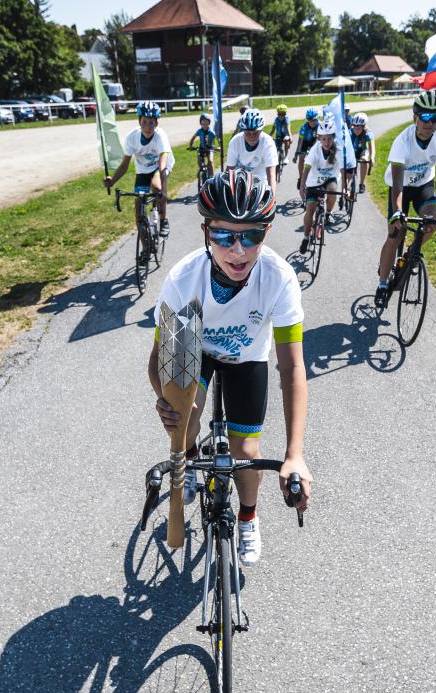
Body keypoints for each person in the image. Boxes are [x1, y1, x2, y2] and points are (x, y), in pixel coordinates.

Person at [149, 168, 312, 566]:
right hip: (196, 349)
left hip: (247, 359)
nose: (237, 250)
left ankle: (248, 516)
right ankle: (188, 461)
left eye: (251, 235)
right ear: (206, 232)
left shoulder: (279, 278)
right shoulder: (184, 279)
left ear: (267, 233)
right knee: (185, 414)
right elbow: (157, 361)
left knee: (246, 449)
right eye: (224, 236)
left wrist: (295, 454)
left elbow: (292, 369)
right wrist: (165, 401)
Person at [374, 91, 436, 308]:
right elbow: (397, 186)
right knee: (395, 234)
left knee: (432, 222)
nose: (430, 123)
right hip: (401, 186)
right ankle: (383, 283)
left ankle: (411, 253)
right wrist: (397, 212)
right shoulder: (402, 141)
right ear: (415, 117)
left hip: (424, 185)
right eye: (425, 117)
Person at [104, 100, 175, 237]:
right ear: (139, 121)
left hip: (160, 167)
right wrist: (112, 181)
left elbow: (162, 165)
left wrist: (164, 192)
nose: (148, 127)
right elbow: (125, 165)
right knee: (138, 210)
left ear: (157, 123)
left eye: (151, 123)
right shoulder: (132, 137)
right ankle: (145, 252)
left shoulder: (160, 136)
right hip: (142, 170)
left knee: (156, 186)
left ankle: (163, 219)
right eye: (144, 122)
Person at [298, 117, 342, 253]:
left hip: (330, 178)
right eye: (323, 139)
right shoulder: (314, 150)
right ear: (319, 138)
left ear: (333, 138)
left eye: (329, 139)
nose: (327, 142)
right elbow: (307, 167)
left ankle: (328, 213)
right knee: (310, 210)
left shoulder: (339, 149)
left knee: (333, 190)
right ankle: (305, 237)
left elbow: (344, 169)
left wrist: (346, 189)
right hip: (314, 181)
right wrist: (302, 185)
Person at [225, 109, 278, 191]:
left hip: (260, 183)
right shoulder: (235, 141)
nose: (252, 136)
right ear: (243, 131)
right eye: (248, 133)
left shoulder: (268, 142)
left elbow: (271, 174)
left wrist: (272, 198)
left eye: (255, 132)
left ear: (261, 130)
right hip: (239, 181)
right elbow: (230, 169)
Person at [348, 111, 375, 193]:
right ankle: (347, 186)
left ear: (364, 127)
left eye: (359, 128)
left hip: (362, 151)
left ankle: (361, 183)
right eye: (354, 127)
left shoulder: (367, 133)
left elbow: (372, 146)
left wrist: (372, 157)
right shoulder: (349, 132)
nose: (356, 129)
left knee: (364, 159)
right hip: (352, 151)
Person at [295, 108, 319, 188]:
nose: (312, 122)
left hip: (315, 141)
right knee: (301, 159)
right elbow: (300, 141)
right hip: (305, 142)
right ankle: (301, 177)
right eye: (310, 120)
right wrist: (296, 153)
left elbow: (319, 139)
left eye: (314, 120)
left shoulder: (319, 125)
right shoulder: (304, 127)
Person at [189, 112, 217, 177]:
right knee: (199, 160)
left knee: (210, 161)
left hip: (210, 149)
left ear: (209, 123)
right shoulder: (199, 131)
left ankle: (212, 177)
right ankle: (201, 169)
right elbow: (193, 138)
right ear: (200, 123)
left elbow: (218, 139)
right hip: (202, 148)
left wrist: (218, 147)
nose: (205, 125)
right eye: (203, 123)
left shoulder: (212, 132)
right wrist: (190, 146)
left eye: (206, 123)